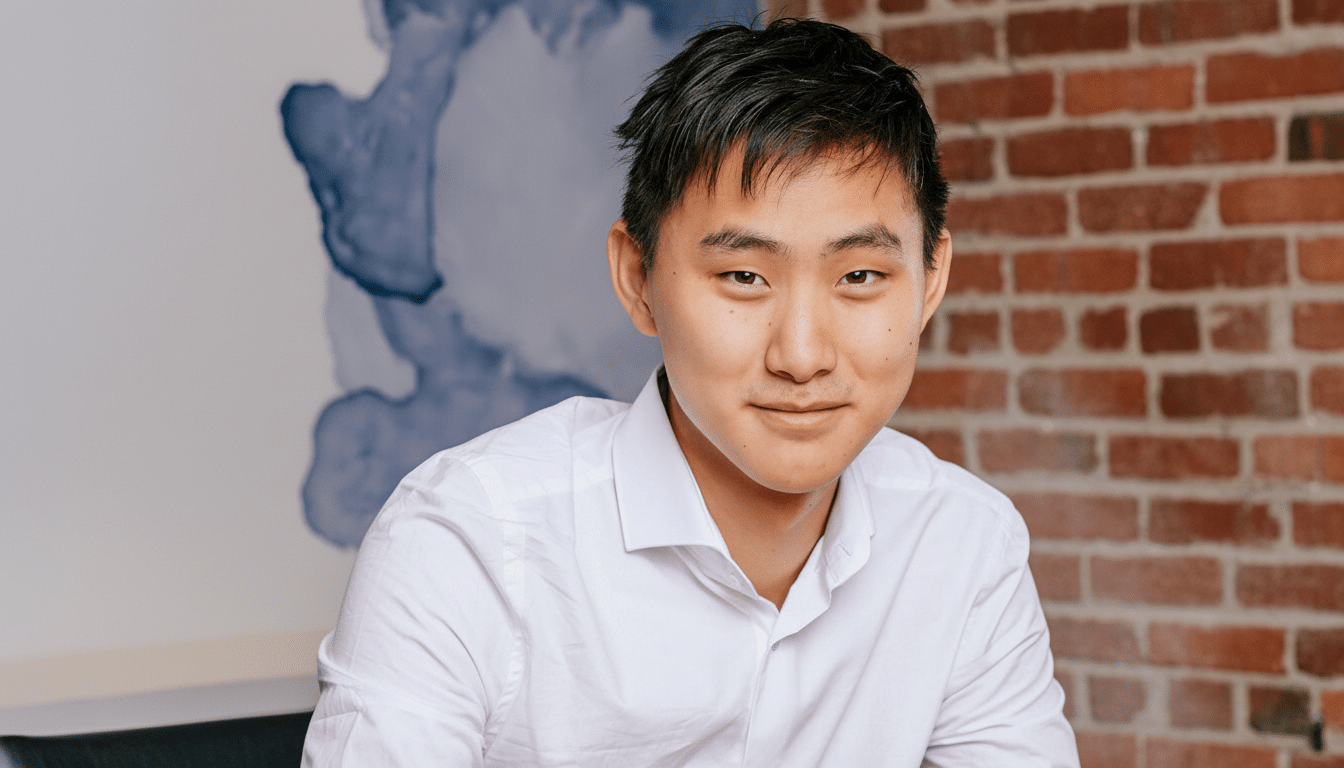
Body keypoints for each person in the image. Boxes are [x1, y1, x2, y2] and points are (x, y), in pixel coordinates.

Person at [302, 18, 1079, 767]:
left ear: (931, 280)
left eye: (860, 277)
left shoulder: (964, 544)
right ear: (638, 279)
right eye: (744, 276)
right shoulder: (465, 543)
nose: (802, 355)